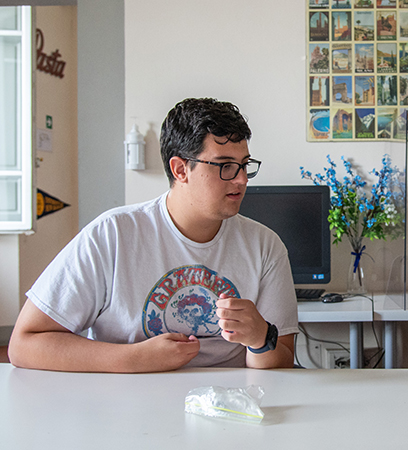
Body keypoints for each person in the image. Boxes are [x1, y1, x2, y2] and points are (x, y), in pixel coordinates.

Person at [9, 98, 298, 372]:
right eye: (225, 166)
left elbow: (282, 364)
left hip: (230, 411)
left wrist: (261, 338)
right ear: (180, 169)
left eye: (244, 165)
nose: (241, 179)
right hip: (127, 407)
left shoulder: (265, 246)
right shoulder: (112, 234)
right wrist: (134, 358)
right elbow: (25, 344)